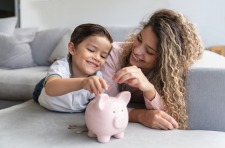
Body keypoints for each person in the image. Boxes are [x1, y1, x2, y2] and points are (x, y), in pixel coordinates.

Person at [101, 9, 203, 130]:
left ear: (163, 59)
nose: (137, 51)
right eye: (139, 39)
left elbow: (172, 115)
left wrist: (149, 89)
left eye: (149, 51)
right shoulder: (113, 54)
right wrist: (141, 115)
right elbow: (106, 106)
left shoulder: (170, 72)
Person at [33, 23, 113, 112]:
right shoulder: (61, 66)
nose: (97, 58)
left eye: (103, 56)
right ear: (72, 49)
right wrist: (82, 82)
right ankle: (47, 78)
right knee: (47, 82)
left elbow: (96, 104)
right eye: (91, 50)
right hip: (45, 92)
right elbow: (50, 88)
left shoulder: (97, 77)